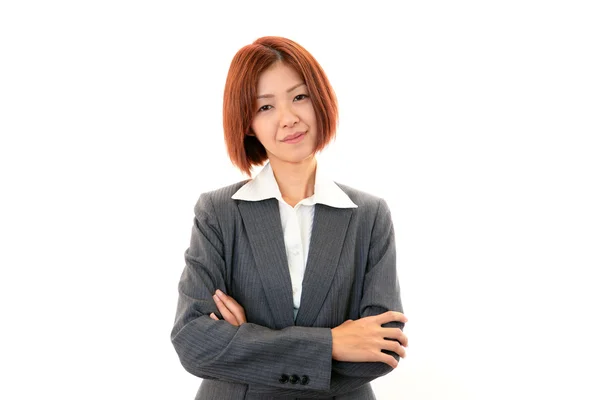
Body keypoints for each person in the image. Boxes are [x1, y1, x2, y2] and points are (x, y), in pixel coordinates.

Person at [171, 36, 408, 400]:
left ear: (320, 99)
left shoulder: (369, 217)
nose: (288, 118)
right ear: (247, 123)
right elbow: (192, 341)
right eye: (265, 107)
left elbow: (383, 347)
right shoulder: (218, 213)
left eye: (300, 97)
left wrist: (245, 343)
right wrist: (332, 342)